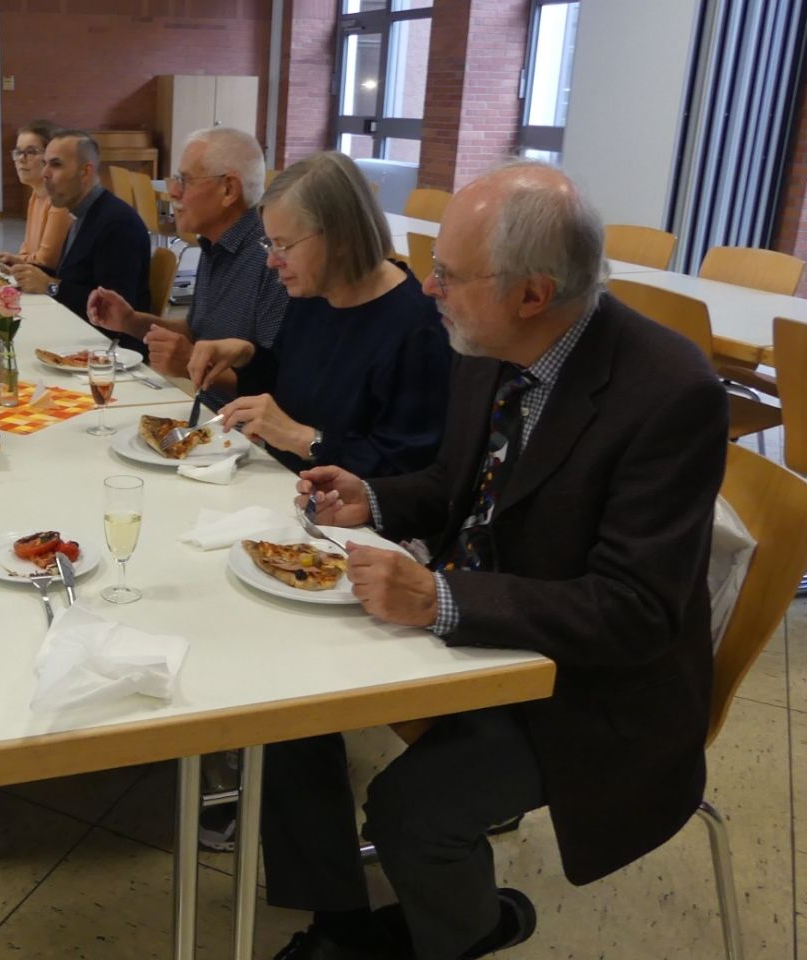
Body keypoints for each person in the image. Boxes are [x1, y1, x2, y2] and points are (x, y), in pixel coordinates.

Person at [259, 161, 729, 960]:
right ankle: (340, 921)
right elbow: (459, 482)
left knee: (414, 810)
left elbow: (634, 611)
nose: (428, 288)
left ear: (533, 294)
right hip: (484, 631)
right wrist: (373, 498)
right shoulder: (486, 340)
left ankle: (473, 930)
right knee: (283, 706)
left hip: (588, 684)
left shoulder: (668, 392)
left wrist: (440, 599)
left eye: (447, 273)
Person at [187, 152, 451, 478]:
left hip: (342, 507)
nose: (272, 261)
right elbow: (289, 387)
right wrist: (247, 356)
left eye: (284, 245)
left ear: (340, 238)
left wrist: (305, 441)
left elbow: (407, 468)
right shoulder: (316, 292)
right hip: (286, 484)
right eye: (270, 245)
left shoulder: (417, 330)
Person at [86, 127, 288, 409]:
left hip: (240, 426)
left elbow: (278, 384)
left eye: (185, 180)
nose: (173, 191)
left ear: (228, 190)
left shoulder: (272, 261)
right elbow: (197, 331)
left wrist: (191, 362)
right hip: (202, 412)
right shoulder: (214, 244)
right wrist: (130, 321)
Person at [8, 129, 150, 351]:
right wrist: (28, 270)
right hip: (79, 331)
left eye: (56, 165)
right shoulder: (82, 213)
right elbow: (77, 277)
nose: (45, 173)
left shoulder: (117, 224)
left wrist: (50, 286)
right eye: (44, 164)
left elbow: (113, 309)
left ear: (85, 172)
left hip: (109, 351)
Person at [0, 118, 70, 271]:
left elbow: (45, 262)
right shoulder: (36, 194)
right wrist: (15, 260)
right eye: (18, 152)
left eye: (31, 152)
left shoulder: (60, 200)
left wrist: (18, 262)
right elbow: (27, 249)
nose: (21, 159)